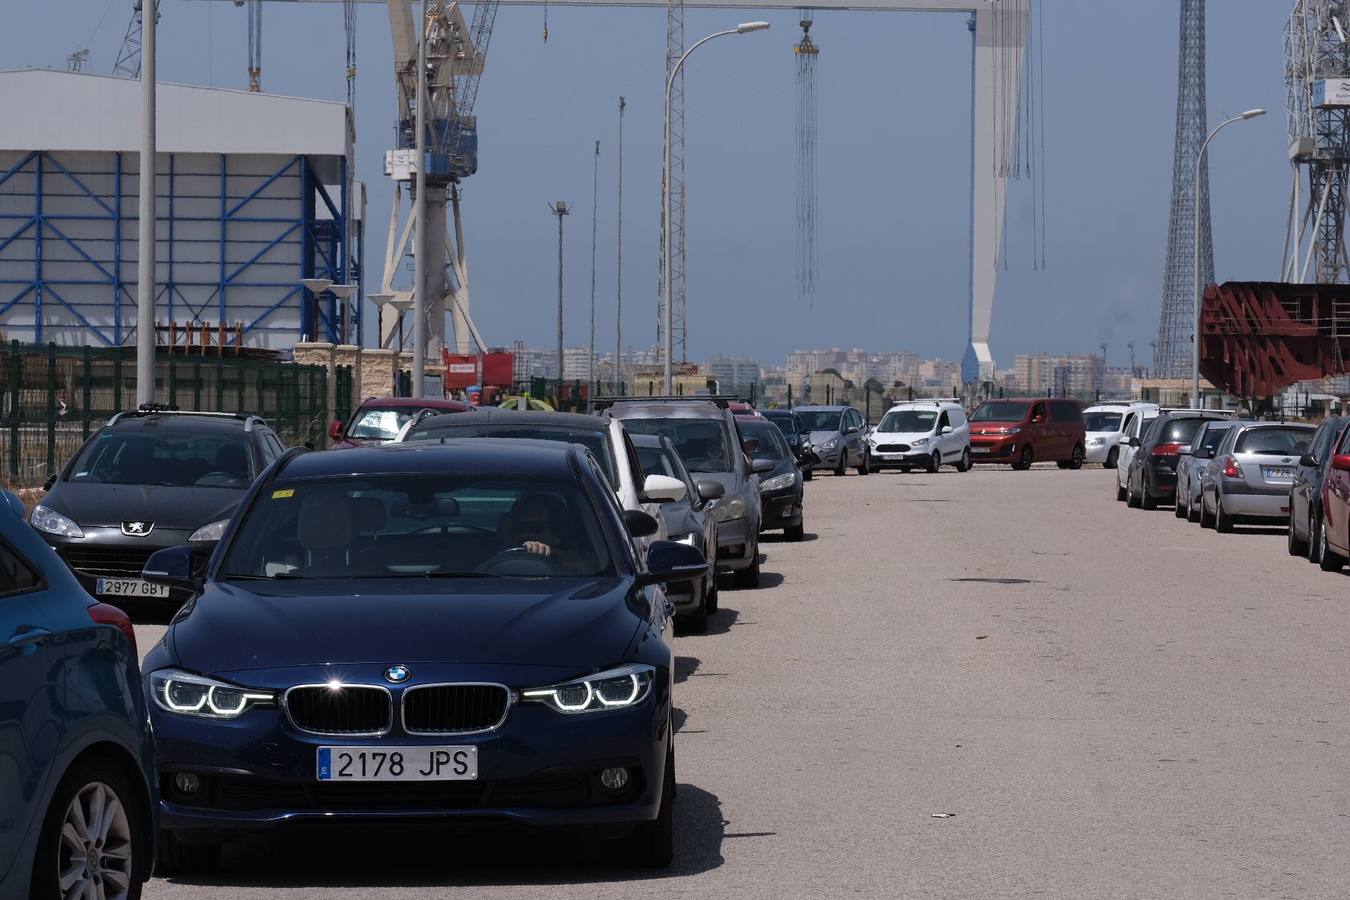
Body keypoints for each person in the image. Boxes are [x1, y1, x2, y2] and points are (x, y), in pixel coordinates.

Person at [499, 493, 588, 573]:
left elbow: (583, 569)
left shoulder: (573, 562)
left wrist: (550, 556)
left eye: (536, 529)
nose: (526, 536)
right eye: (519, 529)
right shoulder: (489, 554)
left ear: (557, 535)